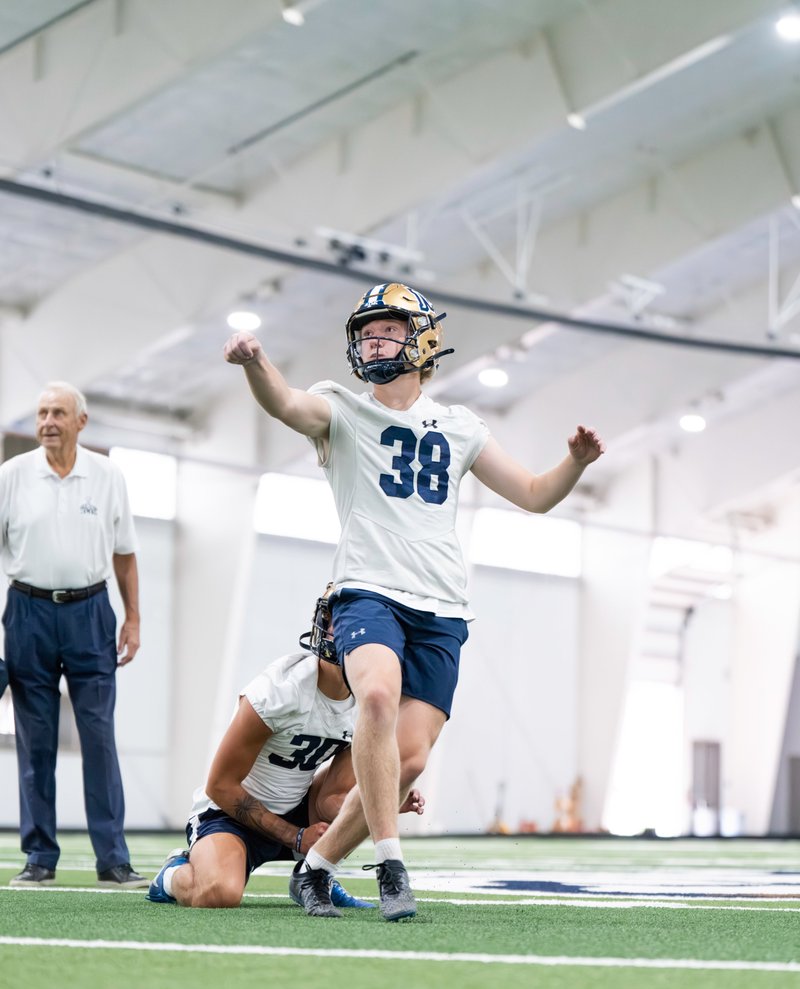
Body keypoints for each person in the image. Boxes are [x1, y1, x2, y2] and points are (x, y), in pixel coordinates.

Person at [223, 282, 605, 921]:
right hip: (367, 590)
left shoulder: (461, 427)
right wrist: (256, 363)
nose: (374, 340)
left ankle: (315, 869)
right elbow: (285, 403)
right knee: (375, 696)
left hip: (441, 606)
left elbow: (535, 495)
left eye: (388, 329)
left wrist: (576, 463)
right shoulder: (341, 408)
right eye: (366, 331)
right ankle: (392, 863)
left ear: (423, 340)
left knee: (410, 759)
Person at [147, 588, 423, 909]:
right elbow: (220, 786)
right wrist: (295, 836)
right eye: (336, 619)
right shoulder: (279, 691)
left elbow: (332, 799)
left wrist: (380, 800)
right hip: (231, 813)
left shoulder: (370, 703)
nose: (344, 630)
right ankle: (170, 875)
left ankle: (314, 875)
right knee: (219, 893)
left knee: (357, 799)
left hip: (299, 806)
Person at [1, 381, 146, 888]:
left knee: (99, 738)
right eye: (42, 413)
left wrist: (133, 619)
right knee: (35, 741)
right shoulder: (12, 475)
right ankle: (39, 857)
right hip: (26, 614)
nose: (47, 422)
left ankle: (113, 859)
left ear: (80, 422)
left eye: (58, 413)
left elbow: (125, 554)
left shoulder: (107, 476)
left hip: (90, 614)